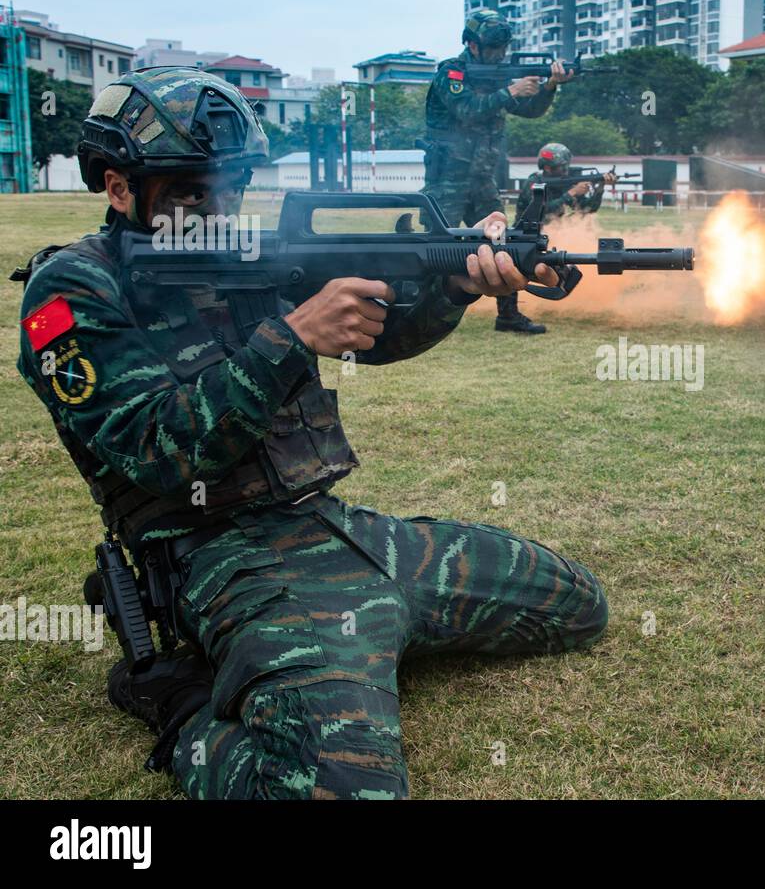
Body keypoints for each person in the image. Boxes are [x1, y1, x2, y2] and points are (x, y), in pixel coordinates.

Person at [13, 67, 607, 799]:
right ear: (117, 186)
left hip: (332, 529)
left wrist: (454, 287)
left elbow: (378, 337)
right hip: (221, 561)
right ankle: (183, 707)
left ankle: (366, 634)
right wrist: (290, 338)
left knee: (576, 603)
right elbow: (155, 448)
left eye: (230, 181)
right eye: (192, 187)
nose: (219, 201)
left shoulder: (248, 253)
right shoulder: (73, 292)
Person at [422, 9, 573, 335]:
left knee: (503, 242)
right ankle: (419, 314)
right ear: (473, 45)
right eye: (492, 48)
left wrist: (550, 87)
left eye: (502, 48)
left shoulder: (498, 76)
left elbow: (529, 110)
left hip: (482, 178)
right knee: (435, 248)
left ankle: (508, 315)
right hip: (447, 178)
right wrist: (510, 91)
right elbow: (466, 111)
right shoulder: (452, 73)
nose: (499, 54)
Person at [514, 142, 616, 226]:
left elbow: (588, 209)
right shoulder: (534, 183)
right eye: (562, 167)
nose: (566, 171)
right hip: (527, 233)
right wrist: (571, 193)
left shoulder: (565, 182)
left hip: (552, 233)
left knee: (582, 221)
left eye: (567, 166)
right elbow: (543, 211)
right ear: (547, 168)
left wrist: (600, 188)